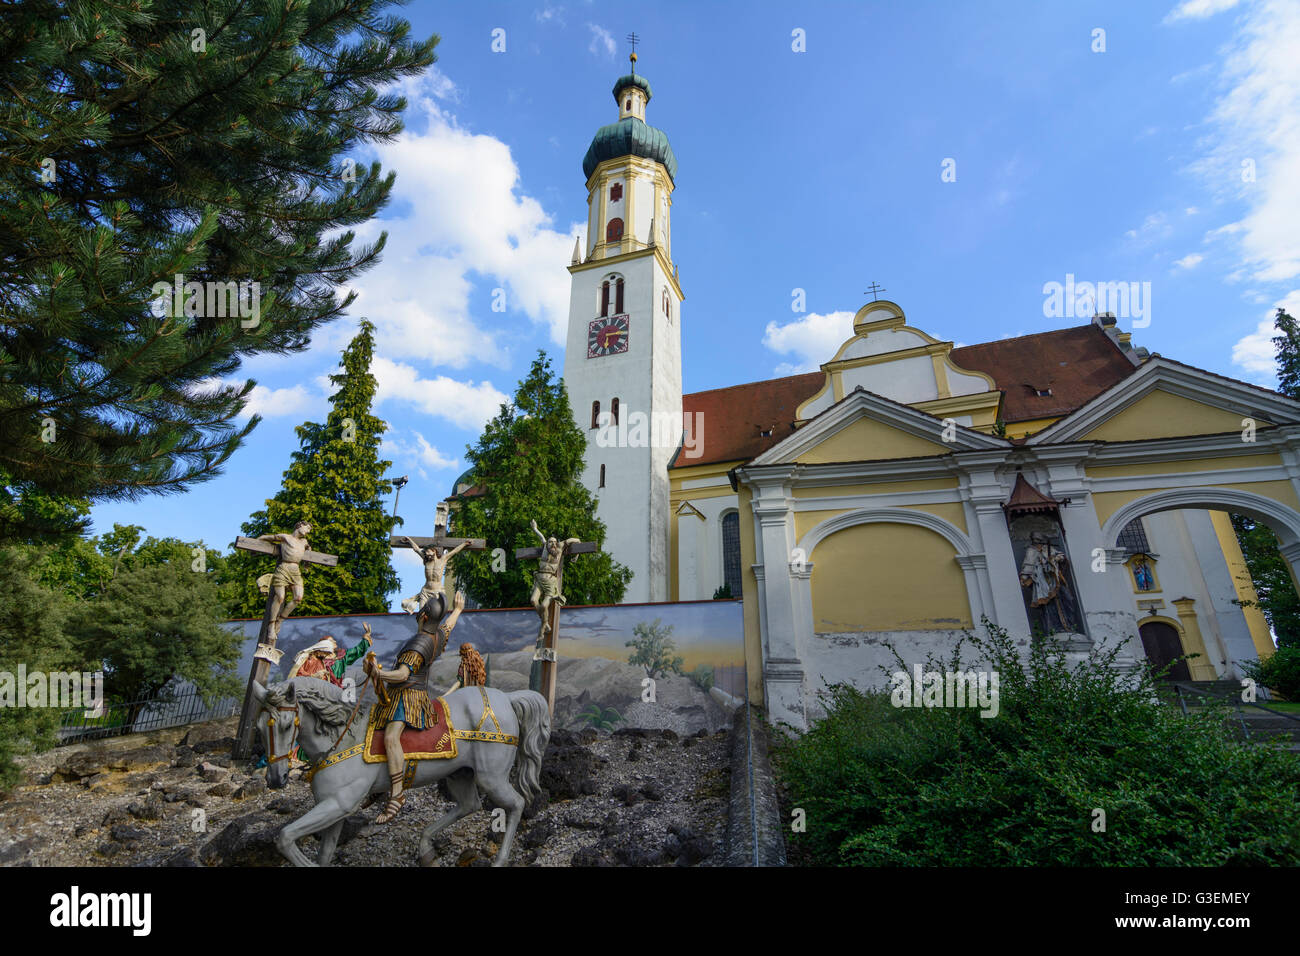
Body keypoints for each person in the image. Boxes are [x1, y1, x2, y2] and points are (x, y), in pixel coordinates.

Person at [365, 591, 465, 824]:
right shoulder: (436, 636)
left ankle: (397, 794)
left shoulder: (419, 643)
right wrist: (458, 610)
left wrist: (378, 673)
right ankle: (378, 785)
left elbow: (401, 675)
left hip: (407, 697)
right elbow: (448, 627)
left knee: (390, 737)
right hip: (406, 694)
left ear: (421, 617)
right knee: (375, 732)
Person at [401, 538, 469, 634]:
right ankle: (419, 634)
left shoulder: (443, 559)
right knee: (421, 615)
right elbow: (416, 549)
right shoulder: (426, 561)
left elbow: (454, 551)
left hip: (437, 592)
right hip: (425, 591)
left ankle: (435, 634)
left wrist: (464, 544)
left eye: (429, 554)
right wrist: (409, 540)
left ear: (434, 551)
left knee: (437, 614)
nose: (428, 556)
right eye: (426, 555)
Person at [258, 521, 313, 639]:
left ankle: (280, 620)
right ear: (299, 526)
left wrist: (307, 562)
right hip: (283, 568)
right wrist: (259, 540)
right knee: (280, 597)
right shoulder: (285, 538)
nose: (307, 532)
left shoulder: (304, 542)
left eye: (309, 530)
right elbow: (267, 538)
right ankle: (271, 626)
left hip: (295, 571)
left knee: (298, 598)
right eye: (307, 528)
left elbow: (308, 548)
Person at [287, 623, 373, 687]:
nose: (335, 642)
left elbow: (356, 651)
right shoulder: (314, 659)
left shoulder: (340, 656)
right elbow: (301, 674)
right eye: (332, 641)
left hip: (335, 688)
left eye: (334, 640)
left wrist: (366, 638)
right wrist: (314, 676)